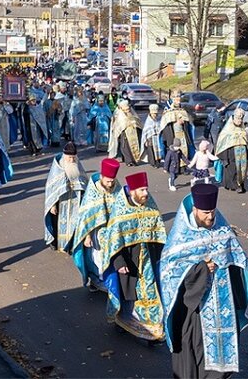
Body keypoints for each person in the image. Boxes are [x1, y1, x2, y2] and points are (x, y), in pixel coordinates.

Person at [160, 184, 248, 378]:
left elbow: (237, 257)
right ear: (195, 209)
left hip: (222, 305)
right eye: (205, 213)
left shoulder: (222, 227)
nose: (211, 217)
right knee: (194, 353)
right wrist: (201, 269)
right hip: (193, 310)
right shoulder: (181, 236)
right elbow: (169, 273)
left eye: (213, 211)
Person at [99, 172, 166, 342]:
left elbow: (158, 231)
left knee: (149, 292)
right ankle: (122, 320)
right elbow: (113, 240)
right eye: (142, 190)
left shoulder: (150, 205)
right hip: (127, 261)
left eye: (146, 189)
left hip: (148, 259)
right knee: (127, 295)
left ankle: (153, 329)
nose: (145, 193)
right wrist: (119, 262)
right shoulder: (120, 210)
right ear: (132, 191)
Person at [72, 158, 122, 292]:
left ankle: (111, 280)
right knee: (97, 258)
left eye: (112, 181)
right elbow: (86, 216)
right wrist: (87, 236)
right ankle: (97, 281)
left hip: (112, 230)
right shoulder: (93, 191)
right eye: (108, 181)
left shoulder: (117, 187)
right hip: (96, 231)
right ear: (101, 177)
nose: (110, 184)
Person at [44, 142, 87, 252]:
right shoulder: (57, 168)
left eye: (73, 157)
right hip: (60, 203)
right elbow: (51, 189)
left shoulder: (78, 165)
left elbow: (84, 182)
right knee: (57, 223)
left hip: (75, 201)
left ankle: (71, 245)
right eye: (69, 158)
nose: (72, 160)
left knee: (74, 223)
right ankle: (57, 243)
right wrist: (52, 205)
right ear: (64, 156)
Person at [215, 107, 248, 193]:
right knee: (232, 170)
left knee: (242, 169)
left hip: (242, 152)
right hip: (231, 153)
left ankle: (241, 184)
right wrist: (224, 157)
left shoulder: (243, 127)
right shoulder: (228, 129)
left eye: (241, 118)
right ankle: (234, 185)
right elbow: (222, 142)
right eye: (238, 118)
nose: (239, 120)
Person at [108, 99, 143, 166]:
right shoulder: (119, 115)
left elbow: (137, 120)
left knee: (134, 147)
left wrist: (135, 124)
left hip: (133, 134)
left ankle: (135, 160)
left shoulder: (132, 113)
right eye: (126, 110)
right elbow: (118, 125)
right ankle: (129, 161)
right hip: (124, 134)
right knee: (126, 148)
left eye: (128, 109)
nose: (128, 111)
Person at [141, 103, 163, 168]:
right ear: (150, 113)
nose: (155, 115)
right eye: (153, 114)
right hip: (150, 139)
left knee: (158, 150)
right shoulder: (148, 121)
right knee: (151, 151)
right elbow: (146, 131)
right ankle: (153, 163)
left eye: (156, 114)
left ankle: (158, 162)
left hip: (157, 138)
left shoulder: (157, 120)